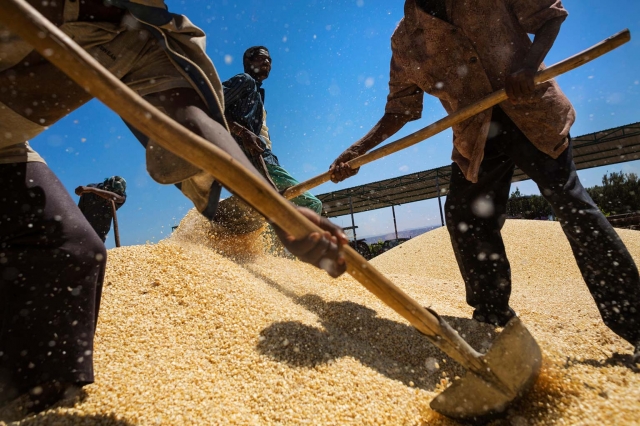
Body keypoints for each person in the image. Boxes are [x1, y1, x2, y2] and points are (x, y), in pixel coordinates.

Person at [0, 0, 346, 412]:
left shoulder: (151, 32)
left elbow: (191, 121)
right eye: (258, 57)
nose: (262, 64)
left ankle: (32, 401)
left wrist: (277, 212)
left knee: (72, 251)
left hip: (4, 145)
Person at [329, 0, 640, 365]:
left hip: (531, 114)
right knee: (465, 214)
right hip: (477, 136)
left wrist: (527, 65)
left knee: (572, 206)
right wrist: (358, 151)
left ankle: (634, 323)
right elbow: (401, 108)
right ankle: (493, 318)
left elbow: (550, 16)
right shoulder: (406, 39)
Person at [222, 46, 323, 215]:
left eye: (269, 60)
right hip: (255, 160)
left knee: (275, 212)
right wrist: (242, 132)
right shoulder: (244, 80)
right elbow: (210, 105)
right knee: (311, 205)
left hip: (262, 160)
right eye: (262, 58)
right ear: (248, 62)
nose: (267, 62)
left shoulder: (257, 93)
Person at [76, 176, 127, 243]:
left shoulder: (121, 196)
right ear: (106, 186)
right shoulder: (91, 189)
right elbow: (80, 208)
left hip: (101, 230)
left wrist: (92, 190)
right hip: (84, 226)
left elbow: (117, 198)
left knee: (96, 248)